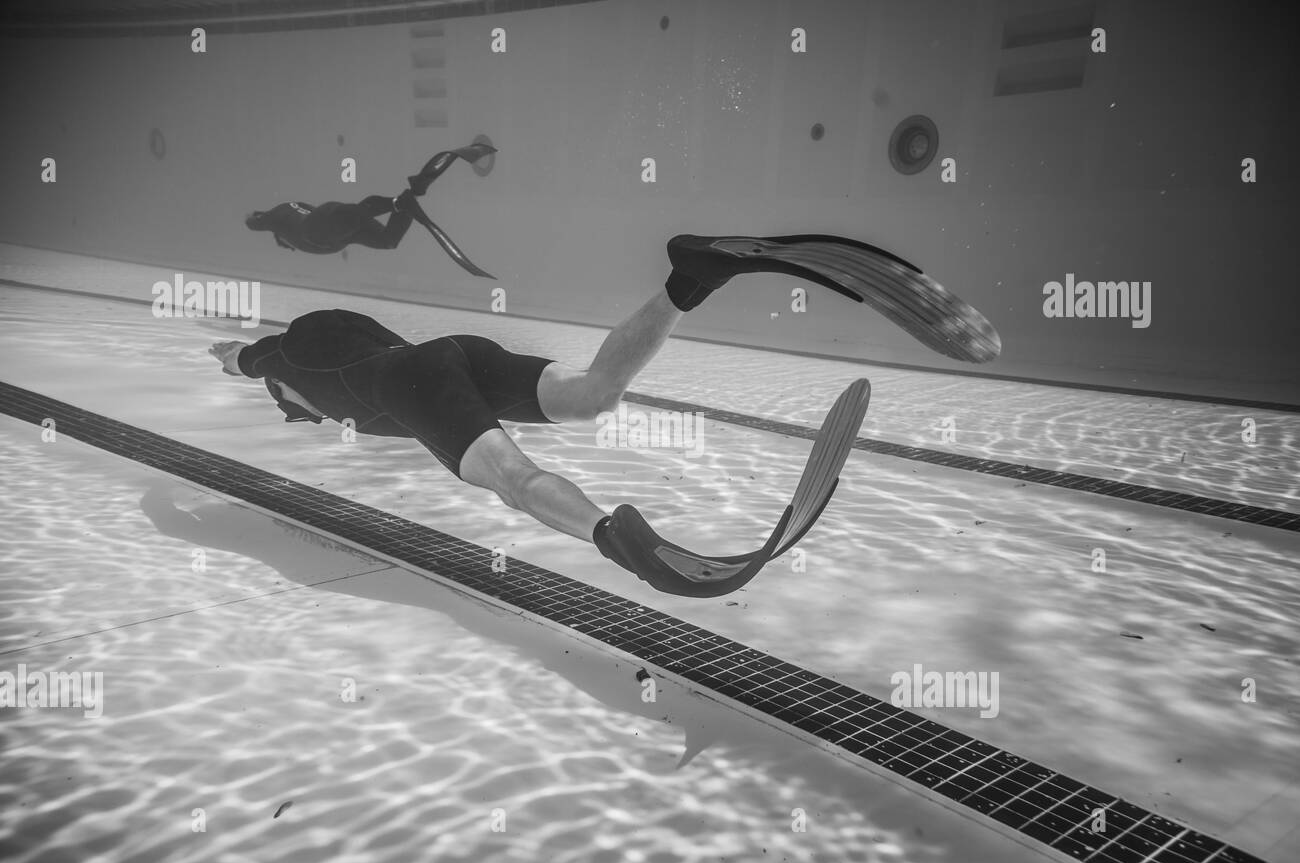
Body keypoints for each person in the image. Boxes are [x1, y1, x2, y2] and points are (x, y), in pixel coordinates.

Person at [210, 233, 999, 595]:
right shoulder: (327, 347)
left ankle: (615, 544)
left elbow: (244, 355)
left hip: (417, 384)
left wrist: (244, 360)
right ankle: (692, 278)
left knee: (513, 481)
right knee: (594, 393)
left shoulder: (285, 360)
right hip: (452, 352)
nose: (296, 418)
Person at [244, 143, 497, 276]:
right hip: (336, 229)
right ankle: (403, 202)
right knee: (387, 241)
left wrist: (262, 222)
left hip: (320, 232)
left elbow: (252, 223)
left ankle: (399, 203)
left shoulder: (274, 216)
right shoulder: (284, 212)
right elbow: (306, 212)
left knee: (348, 219)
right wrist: (276, 232)